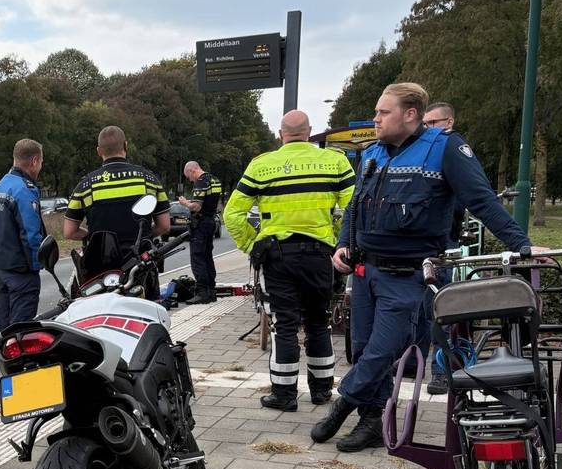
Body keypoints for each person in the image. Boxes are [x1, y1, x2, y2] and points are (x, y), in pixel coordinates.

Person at [313, 83, 532, 452]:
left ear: (410, 114)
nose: (376, 119)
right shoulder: (372, 153)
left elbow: (481, 200)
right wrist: (343, 245)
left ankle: (344, 402)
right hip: (367, 271)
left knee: (384, 350)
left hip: (410, 274)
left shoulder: (446, 149)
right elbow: (355, 207)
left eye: (383, 112)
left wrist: (521, 245)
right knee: (365, 349)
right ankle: (371, 423)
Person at [224, 110, 354, 411]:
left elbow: (232, 214)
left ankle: (283, 396)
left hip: (278, 256)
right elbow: (354, 209)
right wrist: (335, 240)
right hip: (320, 254)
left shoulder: (261, 166)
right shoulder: (334, 162)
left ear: (280, 134)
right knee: (318, 322)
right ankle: (322, 391)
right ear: (309, 132)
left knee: (284, 325)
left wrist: (252, 243)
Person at [64, 126, 170, 262]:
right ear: (126, 146)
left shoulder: (86, 186)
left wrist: (94, 236)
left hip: (101, 265)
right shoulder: (148, 180)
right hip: (141, 264)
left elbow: (69, 232)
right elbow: (164, 226)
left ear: (99, 151)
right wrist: (144, 236)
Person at [0, 138, 46, 337]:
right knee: (21, 334)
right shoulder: (23, 190)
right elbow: (30, 235)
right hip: (21, 274)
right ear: (35, 160)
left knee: (4, 332)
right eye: (41, 162)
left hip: (1, 272)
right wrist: (39, 264)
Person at [423, 101, 459, 396]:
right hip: (417, 247)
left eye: (432, 123)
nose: (427, 129)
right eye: (425, 124)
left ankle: (439, 372)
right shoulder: (423, 155)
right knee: (417, 309)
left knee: (440, 310)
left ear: (449, 123)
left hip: (443, 247)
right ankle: (409, 364)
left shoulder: (454, 154)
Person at [178, 162, 222, 304]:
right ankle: (212, 291)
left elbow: (196, 206)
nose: (191, 180)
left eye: (189, 177)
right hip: (211, 221)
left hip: (201, 224)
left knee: (198, 258)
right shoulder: (214, 180)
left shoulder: (201, 182)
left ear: (192, 170)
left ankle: (202, 293)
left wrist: (185, 203)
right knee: (208, 257)